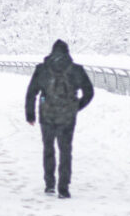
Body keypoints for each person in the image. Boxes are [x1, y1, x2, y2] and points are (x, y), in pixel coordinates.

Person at [24, 39, 94, 199]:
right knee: (65, 151)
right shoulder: (76, 70)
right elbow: (89, 92)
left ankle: (49, 184)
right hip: (67, 117)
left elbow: (31, 92)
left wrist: (30, 114)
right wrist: (76, 107)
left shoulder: (42, 69)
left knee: (48, 149)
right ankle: (63, 188)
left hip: (46, 115)